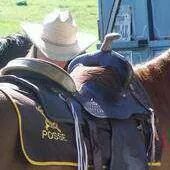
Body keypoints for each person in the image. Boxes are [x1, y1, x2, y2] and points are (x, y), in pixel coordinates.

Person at [22, 9, 96, 69]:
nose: (52, 63)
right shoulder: (19, 72)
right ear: (36, 48)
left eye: (61, 57)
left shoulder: (77, 70)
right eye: (46, 55)